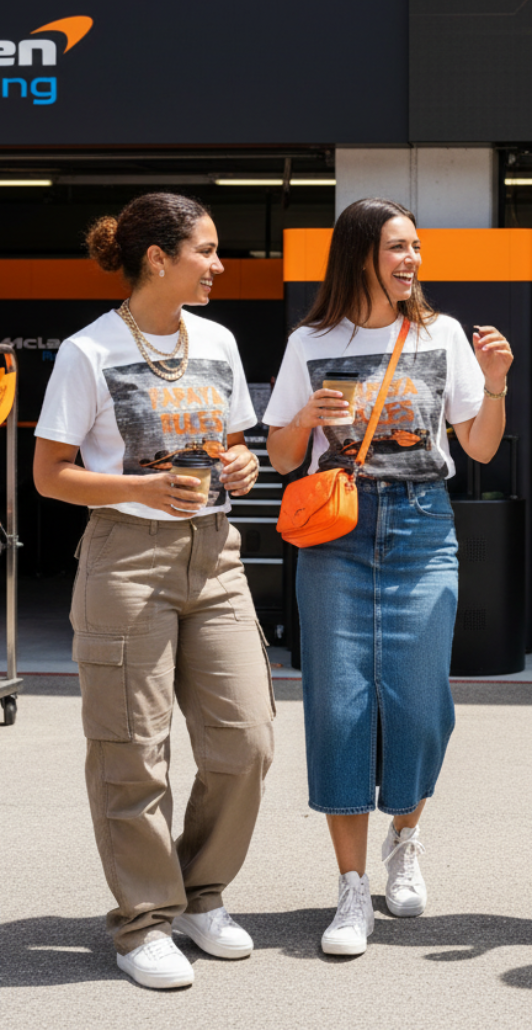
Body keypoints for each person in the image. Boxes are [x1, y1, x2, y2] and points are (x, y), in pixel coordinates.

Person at [33, 193, 274, 990]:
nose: (219, 264)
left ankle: (200, 894)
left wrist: (243, 465)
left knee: (246, 743)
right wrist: (137, 486)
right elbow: (51, 474)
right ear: (159, 259)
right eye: (206, 250)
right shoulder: (89, 351)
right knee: (133, 751)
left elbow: (235, 444)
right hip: (127, 560)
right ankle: (143, 922)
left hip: (216, 554)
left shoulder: (218, 340)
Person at [264, 197, 512, 957]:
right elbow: (278, 458)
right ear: (359, 254)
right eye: (399, 248)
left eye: (416, 248)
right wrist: (306, 416)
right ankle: (349, 889)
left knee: (417, 702)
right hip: (336, 532)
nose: (413, 261)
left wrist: (496, 383)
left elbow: (481, 448)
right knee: (338, 706)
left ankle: (405, 838)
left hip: (422, 526)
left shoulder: (440, 336)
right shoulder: (312, 340)